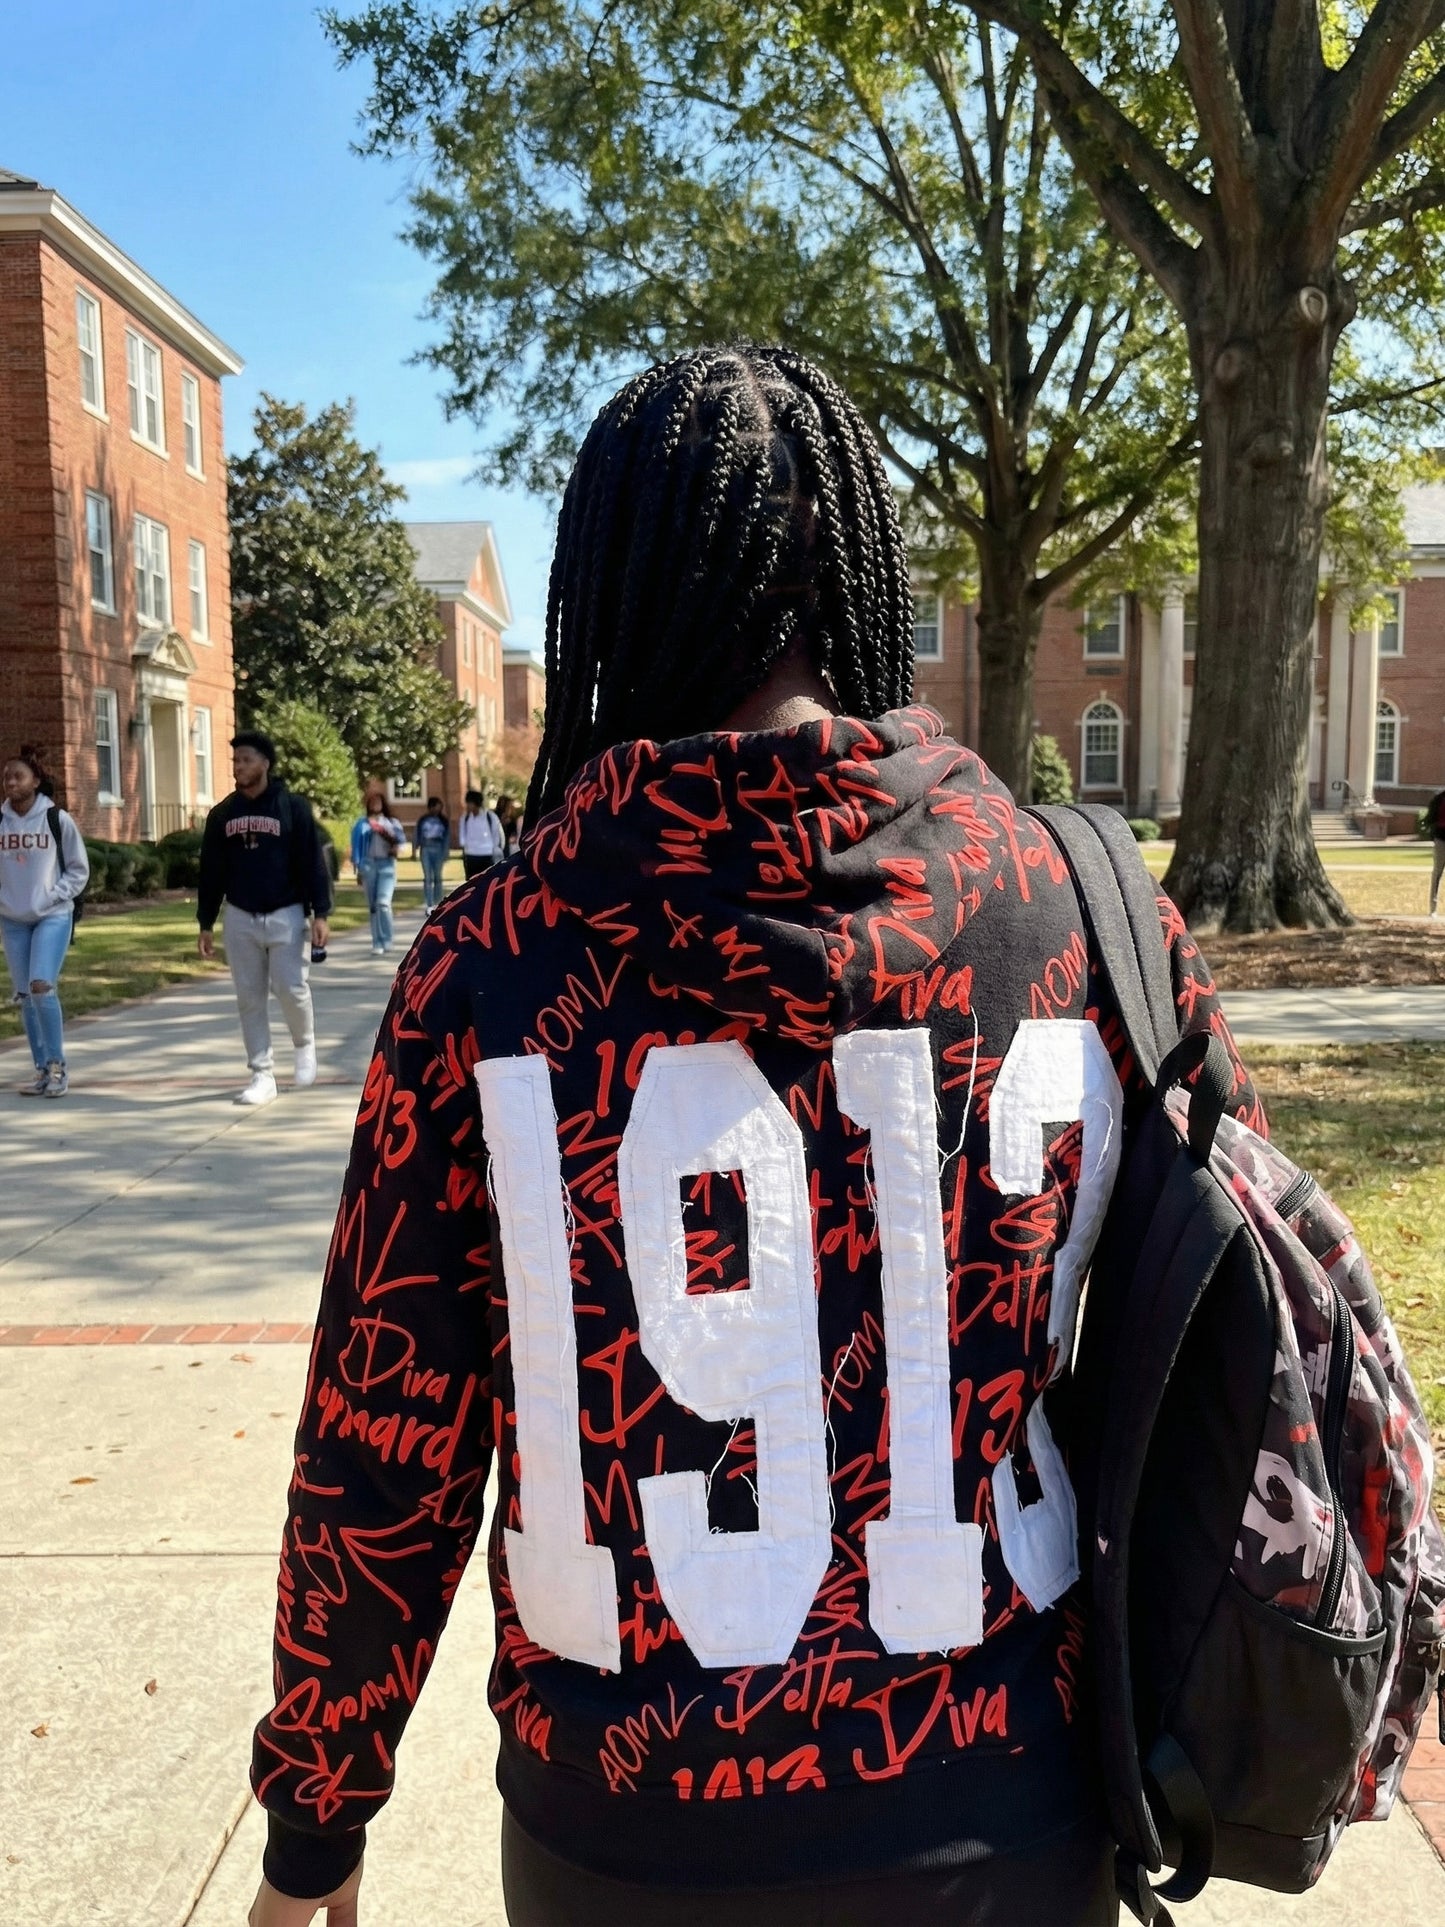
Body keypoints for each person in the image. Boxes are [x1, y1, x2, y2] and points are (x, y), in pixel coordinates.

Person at [248, 346, 1265, 1927]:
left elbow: (384, 1436)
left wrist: (319, 1810)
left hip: (618, 1825)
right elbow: (1243, 1322)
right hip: (1002, 1793)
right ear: (865, 586)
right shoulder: (1077, 907)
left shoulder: (487, 962)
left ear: (610, 600)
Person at [197, 731, 332, 1108]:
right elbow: (211, 871)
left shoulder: (291, 807)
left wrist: (321, 912)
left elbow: (312, 862)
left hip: (286, 912)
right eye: (235, 760)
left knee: (291, 988)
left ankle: (304, 1044)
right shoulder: (223, 814)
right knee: (249, 997)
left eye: (246, 760)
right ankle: (261, 1073)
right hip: (240, 914)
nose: (239, 767)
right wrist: (205, 921)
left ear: (265, 764)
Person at [0, 747, 88, 1098]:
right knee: (25, 995)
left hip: (52, 915)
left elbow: (78, 869)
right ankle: (41, 1069)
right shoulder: (1, 822)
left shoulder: (56, 819)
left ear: (35, 781)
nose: (10, 782)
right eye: (6, 777)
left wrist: (54, 895)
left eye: (18, 776)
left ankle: (57, 1066)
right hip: (13, 920)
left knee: (41, 986)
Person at [348, 786, 407, 956]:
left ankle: (387, 939)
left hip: (386, 864)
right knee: (373, 906)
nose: (375, 804)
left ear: (383, 803)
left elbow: (401, 843)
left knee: (383, 903)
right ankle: (377, 941)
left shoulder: (391, 822)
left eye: (378, 801)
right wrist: (358, 869)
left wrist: (396, 849)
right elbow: (356, 847)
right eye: (372, 802)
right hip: (368, 865)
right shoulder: (362, 824)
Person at [457, 787, 505, 878]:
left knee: (487, 881)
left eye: (469, 803)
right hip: (471, 855)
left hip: (487, 854)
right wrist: (465, 845)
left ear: (476, 803)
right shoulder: (465, 818)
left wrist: (496, 849)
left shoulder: (490, 817)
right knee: (472, 882)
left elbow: (497, 834)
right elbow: (462, 834)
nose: (467, 806)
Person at [414, 795, 452, 910]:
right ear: (430, 807)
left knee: (437, 876)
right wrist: (414, 848)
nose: (437, 809)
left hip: (438, 848)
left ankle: (438, 902)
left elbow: (447, 837)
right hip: (425, 848)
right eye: (436, 806)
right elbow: (417, 834)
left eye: (439, 807)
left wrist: (446, 851)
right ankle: (429, 903)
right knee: (427, 877)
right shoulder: (423, 820)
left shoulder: (443, 821)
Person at [1427, 786, 1445, 916]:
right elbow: (1432, 817)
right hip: (1441, 839)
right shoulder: (1439, 798)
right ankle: (1433, 908)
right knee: (1437, 873)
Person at [495, 792, 521, 857]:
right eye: (508, 806)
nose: (510, 809)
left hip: (507, 848)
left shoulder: (512, 819)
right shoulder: (495, 817)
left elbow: (514, 836)